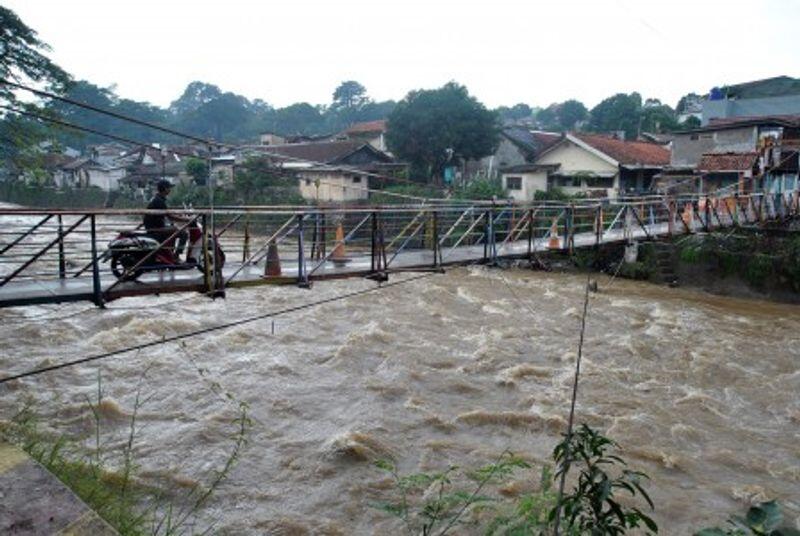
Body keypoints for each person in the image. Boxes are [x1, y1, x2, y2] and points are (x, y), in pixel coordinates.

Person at [143, 179, 190, 261]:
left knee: (173, 229)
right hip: (156, 229)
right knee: (183, 233)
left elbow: (167, 213)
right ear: (165, 188)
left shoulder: (157, 199)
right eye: (169, 188)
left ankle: (170, 253)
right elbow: (170, 217)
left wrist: (179, 215)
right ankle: (176, 256)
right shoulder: (159, 201)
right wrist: (187, 220)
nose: (170, 190)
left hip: (154, 227)